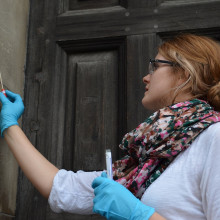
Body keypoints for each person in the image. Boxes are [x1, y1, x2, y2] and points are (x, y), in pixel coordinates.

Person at [1, 33, 220, 220]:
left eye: (155, 66)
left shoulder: (214, 137)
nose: (146, 77)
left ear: (184, 73)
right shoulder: (147, 161)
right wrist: (10, 125)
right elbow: (62, 188)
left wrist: (140, 215)